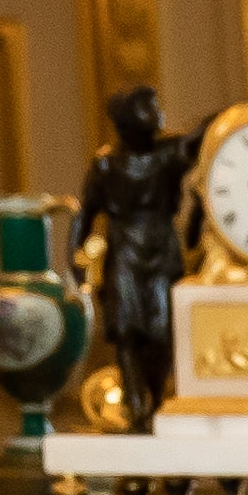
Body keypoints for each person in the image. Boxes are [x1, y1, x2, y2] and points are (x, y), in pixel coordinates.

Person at [69, 86, 196, 430]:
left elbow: (203, 135)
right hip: (124, 249)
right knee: (127, 330)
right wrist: (75, 258)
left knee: (162, 330)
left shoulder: (169, 154)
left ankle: (154, 401)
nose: (158, 114)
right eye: (149, 108)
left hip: (160, 247)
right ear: (128, 120)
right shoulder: (108, 165)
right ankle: (138, 404)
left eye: (156, 107)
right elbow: (85, 212)